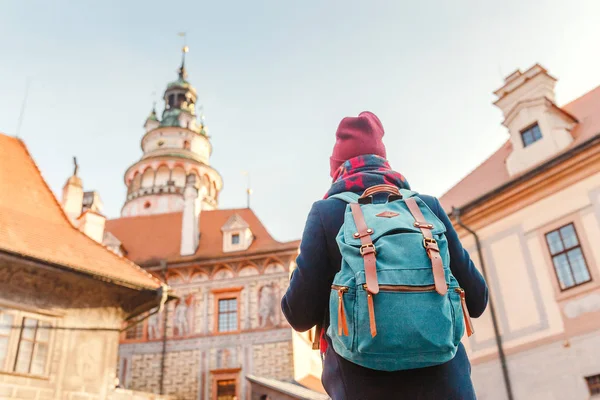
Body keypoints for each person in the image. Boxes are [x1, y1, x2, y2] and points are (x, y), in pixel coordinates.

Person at [281, 111, 488, 400]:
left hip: (359, 386)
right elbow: (477, 299)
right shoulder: (426, 207)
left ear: (338, 167)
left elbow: (298, 314)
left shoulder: (326, 212)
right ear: (384, 161)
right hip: (447, 385)